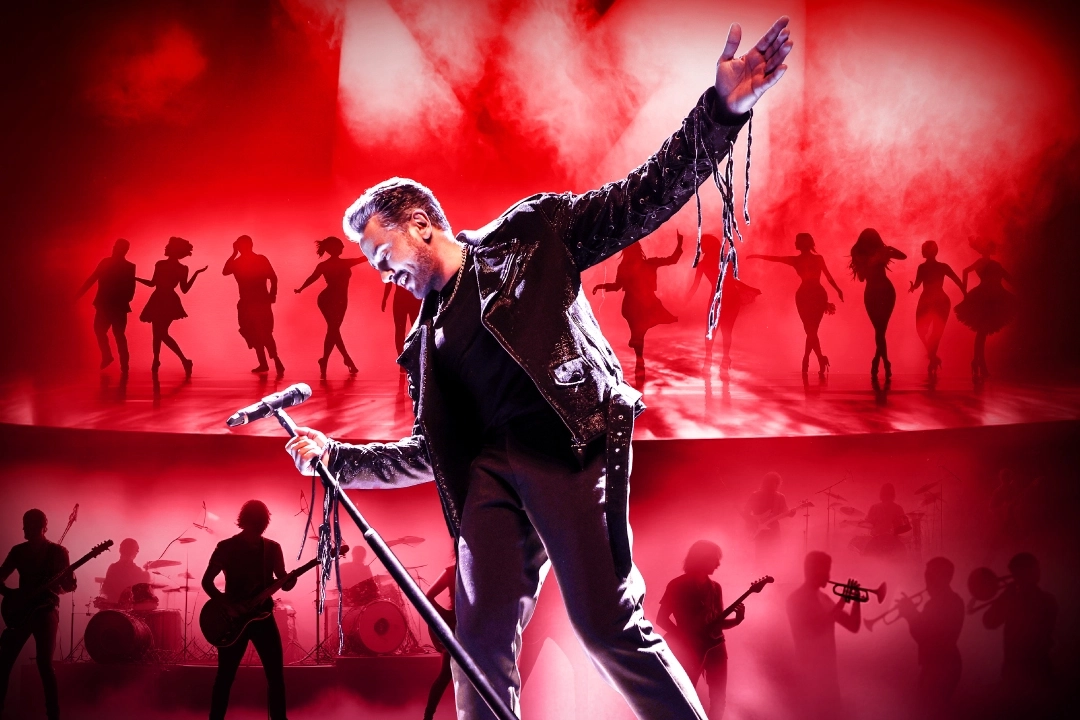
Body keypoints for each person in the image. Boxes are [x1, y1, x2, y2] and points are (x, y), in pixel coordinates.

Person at [285, 17, 793, 720]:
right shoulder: (423, 345)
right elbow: (429, 452)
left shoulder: (530, 234)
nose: (380, 271)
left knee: (605, 625)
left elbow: (641, 197)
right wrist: (336, 457)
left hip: (568, 449)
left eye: (381, 253)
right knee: (477, 645)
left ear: (421, 225)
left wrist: (720, 114)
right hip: (489, 479)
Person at [202, 501, 295, 720]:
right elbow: (207, 582)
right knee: (226, 676)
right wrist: (228, 605)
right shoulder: (226, 547)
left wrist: (290, 580)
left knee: (274, 676)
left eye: (261, 522)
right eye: (258, 522)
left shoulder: (272, 548)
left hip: (263, 617)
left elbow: (283, 580)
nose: (261, 526)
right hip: (233, 620)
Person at [0, 510, 76, 720]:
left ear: (43, 527)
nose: (25, 529)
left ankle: (53, 715)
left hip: (45, 610)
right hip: (20, 611)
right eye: (25, 524)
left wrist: (66, 583)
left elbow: (68, 586)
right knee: (4, 662)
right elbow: (0, 576)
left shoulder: (58, 552)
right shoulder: (18, 551)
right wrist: (12, 595)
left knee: (44, 664)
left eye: (30, 525)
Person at [657, 541, 744, 720]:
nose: (718, 564)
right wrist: (685, 638)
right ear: (702, 558)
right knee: (686, 696)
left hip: (717, 647)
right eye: (714, 559)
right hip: (689, 650)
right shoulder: (677, 585)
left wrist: (737, 620)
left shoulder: (716, 588)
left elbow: (718, 623)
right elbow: (661, 619)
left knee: (719, 699)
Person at [747, 232, 843, 377]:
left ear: (803, 243)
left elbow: (828, 276)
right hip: (806, 296)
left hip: (815, 296)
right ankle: (819, 359)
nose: (795, 243)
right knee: (810, 330)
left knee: (811, 330)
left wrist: (838, 289)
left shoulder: (811, 259)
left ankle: (809, 358)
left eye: (797, 241)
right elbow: (775, 259)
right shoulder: (799, 260)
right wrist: (757, 256)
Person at [592, 235, 682, 385]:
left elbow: (672, 260)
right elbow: (617, 286)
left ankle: (637, 346)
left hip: (642, 304)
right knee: (640, 329)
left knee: (640, 329)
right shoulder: (633, 266)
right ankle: (638, 348)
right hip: (636, 304)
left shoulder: (643, 264)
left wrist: (680, 245)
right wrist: (601, 286)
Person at [786, 551, 860, 716]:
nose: (828, 576)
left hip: (828, 673)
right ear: (813, 570)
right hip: (808, 674)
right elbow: (815, 630)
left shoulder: (825, 598)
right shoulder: (796, 599)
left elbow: (852, 625)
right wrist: (842, 601)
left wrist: (856, 601)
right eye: (826, 570)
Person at [982, 552, 1057, 702]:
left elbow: (990, 622)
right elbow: (989, 622)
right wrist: (1006, 597)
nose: (1038, 572)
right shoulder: (1045, 599)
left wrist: (1007, 597)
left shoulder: (1044, 600)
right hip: (1026, 670)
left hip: (1028, 670)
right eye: (1035, 568)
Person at [896, 557, 964, 711]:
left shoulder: (941, 603)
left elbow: (924, 637)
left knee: (929, 708)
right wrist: (911, 614)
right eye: (926, 575)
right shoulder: (951, 601)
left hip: (940, 665)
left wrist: (910, 615)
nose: (927, 580)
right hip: (941, 663)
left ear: (944, 578)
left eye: (931, 576)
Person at [686, 233, 761, 371]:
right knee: (724, 331)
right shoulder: (725, 260)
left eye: (702, 244)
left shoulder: (707, 264)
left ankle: (713, 358)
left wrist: (687, 298)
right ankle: (722, 358)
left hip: (720, 298)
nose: (701, 247)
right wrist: (750, 288)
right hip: (729, 298)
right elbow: (733, 281)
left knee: (714, 331)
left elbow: (696, 285)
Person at [294, 236, 367, 378]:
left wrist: (301, 288)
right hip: (330, 300)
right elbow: (312, 278)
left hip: (335, 300)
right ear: (334, 249)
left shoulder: (329, 265)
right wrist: (301, 288)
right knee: (333, 329)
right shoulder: (342, 264)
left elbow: (312, 277)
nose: (343, 247)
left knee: (333, 330)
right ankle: (338, 360)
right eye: (340, 245)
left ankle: (333, 360)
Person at [138, 236, 207, 376]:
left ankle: (182, 360)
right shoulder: (175, 267)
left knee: (160, 333)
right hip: (162, 299)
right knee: (157, 333)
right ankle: (157, 360)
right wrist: (135, 278)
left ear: (173, 250)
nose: (165, 248)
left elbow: (154, 284)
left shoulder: (165, 265)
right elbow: (183, 289)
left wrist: (196, 274)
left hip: (165, 300)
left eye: (168, 246)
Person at [954, 237, 1016, 382]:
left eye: (989, 247)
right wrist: (964, 290)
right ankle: (980, 364)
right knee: (982, 332)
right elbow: (965, 271)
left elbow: (1008, 278)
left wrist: (1021, 287)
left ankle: (977, 362)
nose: (987, 250)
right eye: (985, 247)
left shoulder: (996, 264)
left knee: (982, 333)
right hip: (984, 298)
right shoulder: (982, 262)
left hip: (995, 298)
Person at [849, 229, 906, 382]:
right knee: (881, 330)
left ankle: (880, 361)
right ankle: (883, 361)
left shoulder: (869, 253)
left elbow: (861, 278)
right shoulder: (877, 252)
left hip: (876, 291)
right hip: (883, 290)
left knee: (880, 330)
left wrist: (887, 250)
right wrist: (888, 250)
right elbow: (903, 256)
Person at [223, 235, 285, 375]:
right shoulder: (238, 262)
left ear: (251, 245)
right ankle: (264, 362)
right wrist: (233, 254)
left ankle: (275, 360)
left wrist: (272, 294)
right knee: (252, 332)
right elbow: (225, 271)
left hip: (260, 301)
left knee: (265, 332)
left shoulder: (260, 259)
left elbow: (273, 277)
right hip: (246, 302)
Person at [76, 238, 137, 373]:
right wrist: (126, 300)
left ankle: (110, 357)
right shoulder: (128, 266)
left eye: (116, 247)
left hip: (107, 304)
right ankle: (122, 364)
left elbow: (92, 279)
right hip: (114, 305)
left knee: (104, 331)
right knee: (117, 334)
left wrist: (78, 295)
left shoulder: (107, 263)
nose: (114, 248)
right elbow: (131, 288)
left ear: (122, 250)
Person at [908, 241, 964, 380]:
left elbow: (957, 280)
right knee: (931, 332)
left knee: (931, 331)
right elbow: (957, 281)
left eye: (923, 249)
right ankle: (933, 357)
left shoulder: (930, 267)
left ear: (928, 252)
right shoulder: (933, 267)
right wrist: (965, 293)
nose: (922, 252)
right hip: (936, 300)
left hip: (933, 300)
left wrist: (966, 294)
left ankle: (932, 358)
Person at [422, 561, 456, 720]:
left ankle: (428, 716)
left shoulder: (452, 571)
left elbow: (427, 598)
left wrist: (446, 618)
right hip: (463, 631)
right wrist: (447, 617)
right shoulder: (452, 571)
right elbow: (427, 597)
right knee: (445, 675)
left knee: (445, 676)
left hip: (467, 630)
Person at [742, 471, 792, 561]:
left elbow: (785, 511)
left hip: (774, 530)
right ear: (765, 484)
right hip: (760, 530)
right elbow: (745, 513)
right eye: (770, 484)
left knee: (776, 556)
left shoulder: (780, 497)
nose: (773, 487)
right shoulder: (755, 495)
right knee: (761, 556)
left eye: (775, 484)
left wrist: (791, 513)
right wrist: (757, 519)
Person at [862, 483, 910, 559]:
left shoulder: (874, 507)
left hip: (876, 542)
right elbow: (903, 527)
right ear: (893, 494)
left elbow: (868, 524)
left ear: (881, 494)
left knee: (869, 559)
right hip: (893, 543)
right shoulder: (898, 508)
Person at [101, 537, 151, 605]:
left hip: (113, 607)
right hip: (124, 607)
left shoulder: (112, 567)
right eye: (136, 550)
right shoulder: (136, 571)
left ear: (120, 550)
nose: (137, 552)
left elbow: (105, 589)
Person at [382, 282, 423, 358]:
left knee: (409, 330)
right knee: (404, 330)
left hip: (408, 299)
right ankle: (406, 357)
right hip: (407, 299)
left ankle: (413, 356)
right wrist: (385, 298)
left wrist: (385, 298)